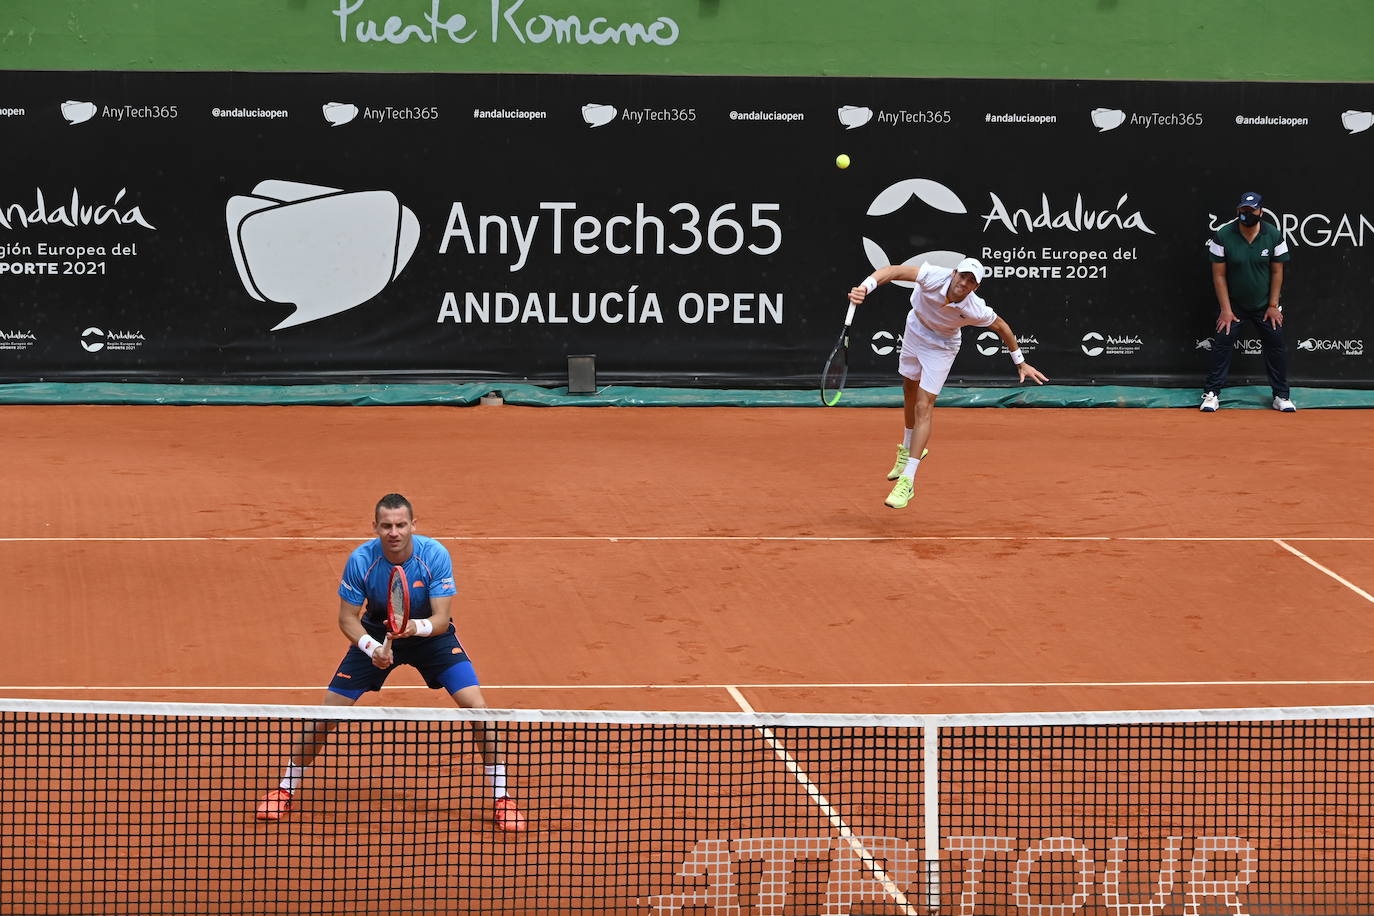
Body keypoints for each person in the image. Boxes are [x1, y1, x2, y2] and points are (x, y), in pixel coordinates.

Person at [255, 493, 526, 832]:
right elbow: (346, 619)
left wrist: (414, 627)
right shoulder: (361, 560)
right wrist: (371, 648)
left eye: (400, 525)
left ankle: (503, 798)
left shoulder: (434, 555)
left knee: (479, 710)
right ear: (375, 527)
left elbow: (442, 619)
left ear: (413, 525)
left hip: (432, 639)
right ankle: (285, 789)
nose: (394, 532)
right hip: (376, 632)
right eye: (386, 526)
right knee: (325, 715)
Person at [849, 257, 1047, 509]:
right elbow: (893, 271)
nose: (964, 283)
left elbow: (1001, 326)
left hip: (942, 346)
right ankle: (908, 448)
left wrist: (1020, 361)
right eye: (962, 276)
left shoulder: (975, 308)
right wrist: (866, 287)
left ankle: (907, 479)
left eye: (971, 281)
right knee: (909, 390)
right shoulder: (933, 276)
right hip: (915, 329)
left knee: (924, 404)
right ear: (954, 273)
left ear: (976, 288)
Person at [1200, 191, 1294, 412]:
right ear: (1237, 210)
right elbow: (1219, 275)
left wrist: (1272, 306)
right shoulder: (1223, 235)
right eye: (1243, 209)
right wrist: (1225, 309)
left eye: (1251, 210)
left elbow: (1277, 272)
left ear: (1260, 211)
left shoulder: (1274, 235)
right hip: (1234, 306)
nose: (1247, 213)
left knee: (1276, 345)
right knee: (1222, 343)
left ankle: (1281, 395)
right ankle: (1212, 394)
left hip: (1264, 306)